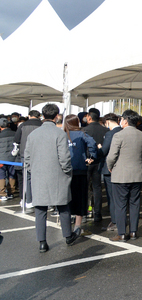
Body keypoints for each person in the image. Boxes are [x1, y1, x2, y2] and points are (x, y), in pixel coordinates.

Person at [24, 104, 80, 252]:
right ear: (57, 116)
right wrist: (68, 172)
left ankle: (42, 242)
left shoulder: (33, 135)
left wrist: (34, 171)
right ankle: (68, 236)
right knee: (63, 206)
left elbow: (27, 159)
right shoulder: (60, 134)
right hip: (58, 176)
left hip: (39, 176)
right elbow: (64, 159)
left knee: (40, 210)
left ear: (43, 115)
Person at [106, 110, 142, 241]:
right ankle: (134, 231)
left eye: (122, 119)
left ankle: (122, 233)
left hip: (121, 174)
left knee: (121, 204)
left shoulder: (118, 135)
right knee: (134, 203)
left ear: (125, 120)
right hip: (137, 173)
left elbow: (111, 156)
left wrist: (110, 166)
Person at [64, 115, 98, 233]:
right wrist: (92, 156)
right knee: (80, 197)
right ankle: (77, 226)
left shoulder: (63, 135)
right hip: (80, 169)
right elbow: (92, 143)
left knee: (66, 198)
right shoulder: (82, 134)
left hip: (65, 171)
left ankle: (66, 224)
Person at [13, 109, 43, 208]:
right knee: (40, 177)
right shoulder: (42, 125)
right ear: (39, 116)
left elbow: (16, 140)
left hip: (25, 154)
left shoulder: (22, 125)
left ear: (29, 116)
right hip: (40, 154)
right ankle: (39, 198)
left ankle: (28, 200)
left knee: (27, 177)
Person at [83, 110, 108, 225]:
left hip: (87, 161)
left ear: (89, 118)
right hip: (99, 161)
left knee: (85, 188)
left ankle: (85, 212)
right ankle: (97, 212)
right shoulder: (105, 130)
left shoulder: (85, 130)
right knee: (97, 187)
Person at [100, 113, 122, 232]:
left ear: (107, 122)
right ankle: (120, 220)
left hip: (110, 169)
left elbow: (105, 150)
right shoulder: (123, 131)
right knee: (120, 197)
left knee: (112, 197)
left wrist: (99, 148)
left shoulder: (110, 134)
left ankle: (115, 221)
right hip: (122, 168)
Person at [0, 118, 17, 200]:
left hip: (1, 158)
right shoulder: (14, 134)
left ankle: (2, 194)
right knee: (12, 175)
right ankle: (11, 192)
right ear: (9, 125)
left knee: (1, 176)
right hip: (12, 158)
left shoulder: (0, 135)